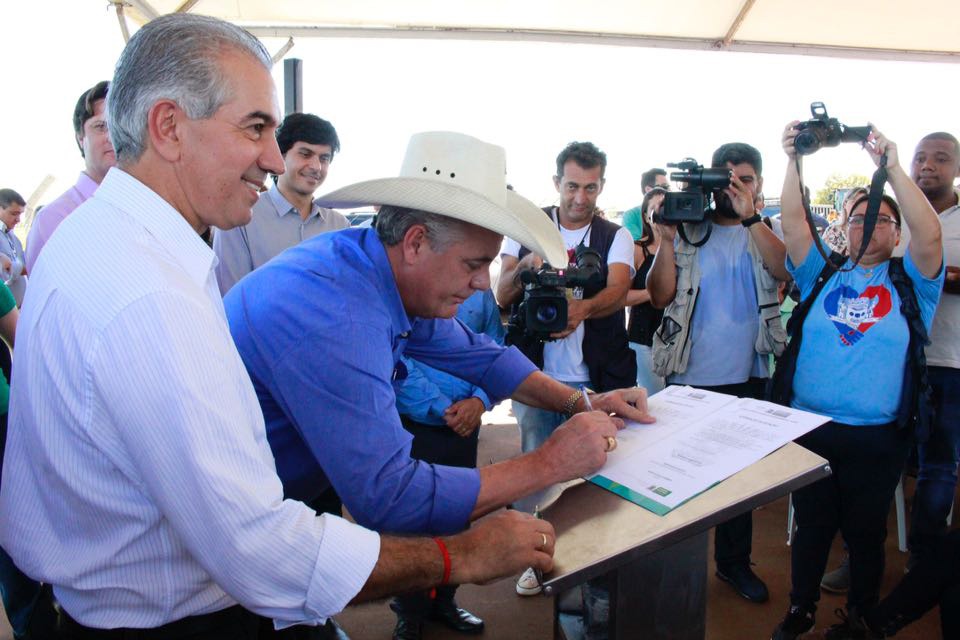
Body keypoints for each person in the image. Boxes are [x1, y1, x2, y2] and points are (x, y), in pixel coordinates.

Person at [0, 15, 556, 638]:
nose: (272, 156)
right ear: (168, 127)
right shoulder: (151, 298)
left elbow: (460, 347)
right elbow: (261, 547)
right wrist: (464, 554)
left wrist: (572, 399)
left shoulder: (103, 238)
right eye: (255, 127)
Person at [225, 132, 650, 549]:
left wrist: (583, 403)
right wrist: (550, 462)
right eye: (473, 263)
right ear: (415, 243)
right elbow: (389, 496)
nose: (484, 282)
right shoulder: (337, 316)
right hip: (231, 524)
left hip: (271, 496)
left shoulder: (376, 267)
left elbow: (482, 357)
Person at [769, 123, 943, 640]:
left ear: (897, 233)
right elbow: (796, 221)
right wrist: (794, 159)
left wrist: (888, 165)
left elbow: (930, 232)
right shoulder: (819, 273)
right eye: (859, 215)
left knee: (867, 535)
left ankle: (862, 617)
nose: (871, 223)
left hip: (877, 438)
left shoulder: (914, 283)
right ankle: (801, 609)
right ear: (843, 226)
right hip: (812, 429)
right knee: (811, 529)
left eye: (883, 218)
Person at [647, 142, 790, 604]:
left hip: (747, 374)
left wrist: (751, 217)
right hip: (688, 375)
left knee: (738, 484)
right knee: (679, 480)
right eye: (724, 179)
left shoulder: (761, 231)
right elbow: (659, 295)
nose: (733, 188)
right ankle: (678, 568)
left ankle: (732, 565)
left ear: (759, 185)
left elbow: (785, 267)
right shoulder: (688, 231)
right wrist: (665, 241)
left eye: (744, 179)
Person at [390, 287, 504, 640]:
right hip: (415, 427)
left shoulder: (481, 294)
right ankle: (409, 612)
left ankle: (444, 602)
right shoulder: (405, 292)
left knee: (457, 517)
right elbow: (397, 360)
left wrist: (481, 402)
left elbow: (495, 348)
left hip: (465, 427)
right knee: (412, 523)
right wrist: (444, 409)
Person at [213, 112, 349, 295]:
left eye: (324, 158)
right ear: (280, 155)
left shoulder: (340, 227)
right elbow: (229, 298)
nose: (316, 166)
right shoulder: (241, 218)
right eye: (305, 154)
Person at [24, 81, 115, 272]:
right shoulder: (52, 221)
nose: (113, 136)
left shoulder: (152, 206)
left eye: (118, 125)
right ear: (81, 139)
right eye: (101, 126)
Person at [626, 187, 666, 394]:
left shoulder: (687, 248)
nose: (661, 213)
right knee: (657, 402)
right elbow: (621, 296)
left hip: (679, 340)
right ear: (645, 216)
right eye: (655, 208)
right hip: (644, 340)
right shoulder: (637, 249)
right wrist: (656, 293)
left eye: (665, 207)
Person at [621, 167, 668, 243]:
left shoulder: (673, 212)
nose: (668, 191)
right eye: (664, 187)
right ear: (648, 190)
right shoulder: (630, 216)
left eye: (668, 187)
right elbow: (636, 246)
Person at [821, 186, 869, 255]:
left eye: (861, 203)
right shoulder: (831, 231)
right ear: (844, 204)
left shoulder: (870, 234)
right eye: (854, 201)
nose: (857, 206)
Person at [0, 190, 28, 305]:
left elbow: (24, 263)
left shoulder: (13, 237)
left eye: (20, 214)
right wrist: (20, 268)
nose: (18, 219)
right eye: (14, 213)